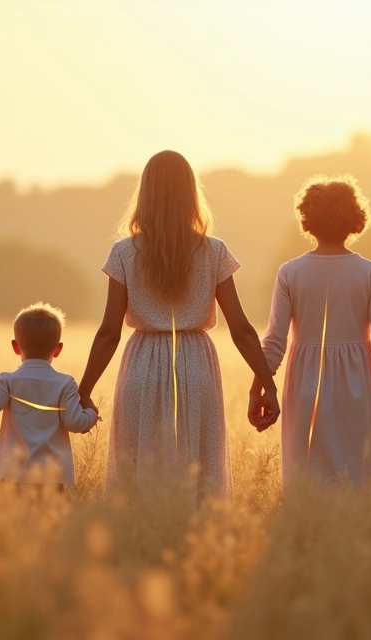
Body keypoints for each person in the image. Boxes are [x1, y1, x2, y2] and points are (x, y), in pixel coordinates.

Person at [77, 150, 280, 502]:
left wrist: (84, 391)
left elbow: (109, 333)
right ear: (191, 194)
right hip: (197, 364)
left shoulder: (123, 253)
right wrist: (268, 385)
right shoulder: (214, 251)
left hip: (139, 366)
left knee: (139, 477)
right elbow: (242, 329)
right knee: (198, 475)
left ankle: (142, 543)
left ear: (145, 194)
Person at [257, 175, 371, 493]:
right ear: (355, 219)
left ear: (308, 219)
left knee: (307, 478)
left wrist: (261, 390)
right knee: (358, 475)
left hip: (304, 384)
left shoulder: (290, 272)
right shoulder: (370, 272)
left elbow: (274, 341)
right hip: (358, 386)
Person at [0, 303, 99, 491]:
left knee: (11, 520)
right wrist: (92, 413)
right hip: (52, 477)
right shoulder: (65, 384)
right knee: (50, 520)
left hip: (13, 475)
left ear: (15, 346)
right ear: (58, 349)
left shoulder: (6, 381)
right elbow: (76, 423)